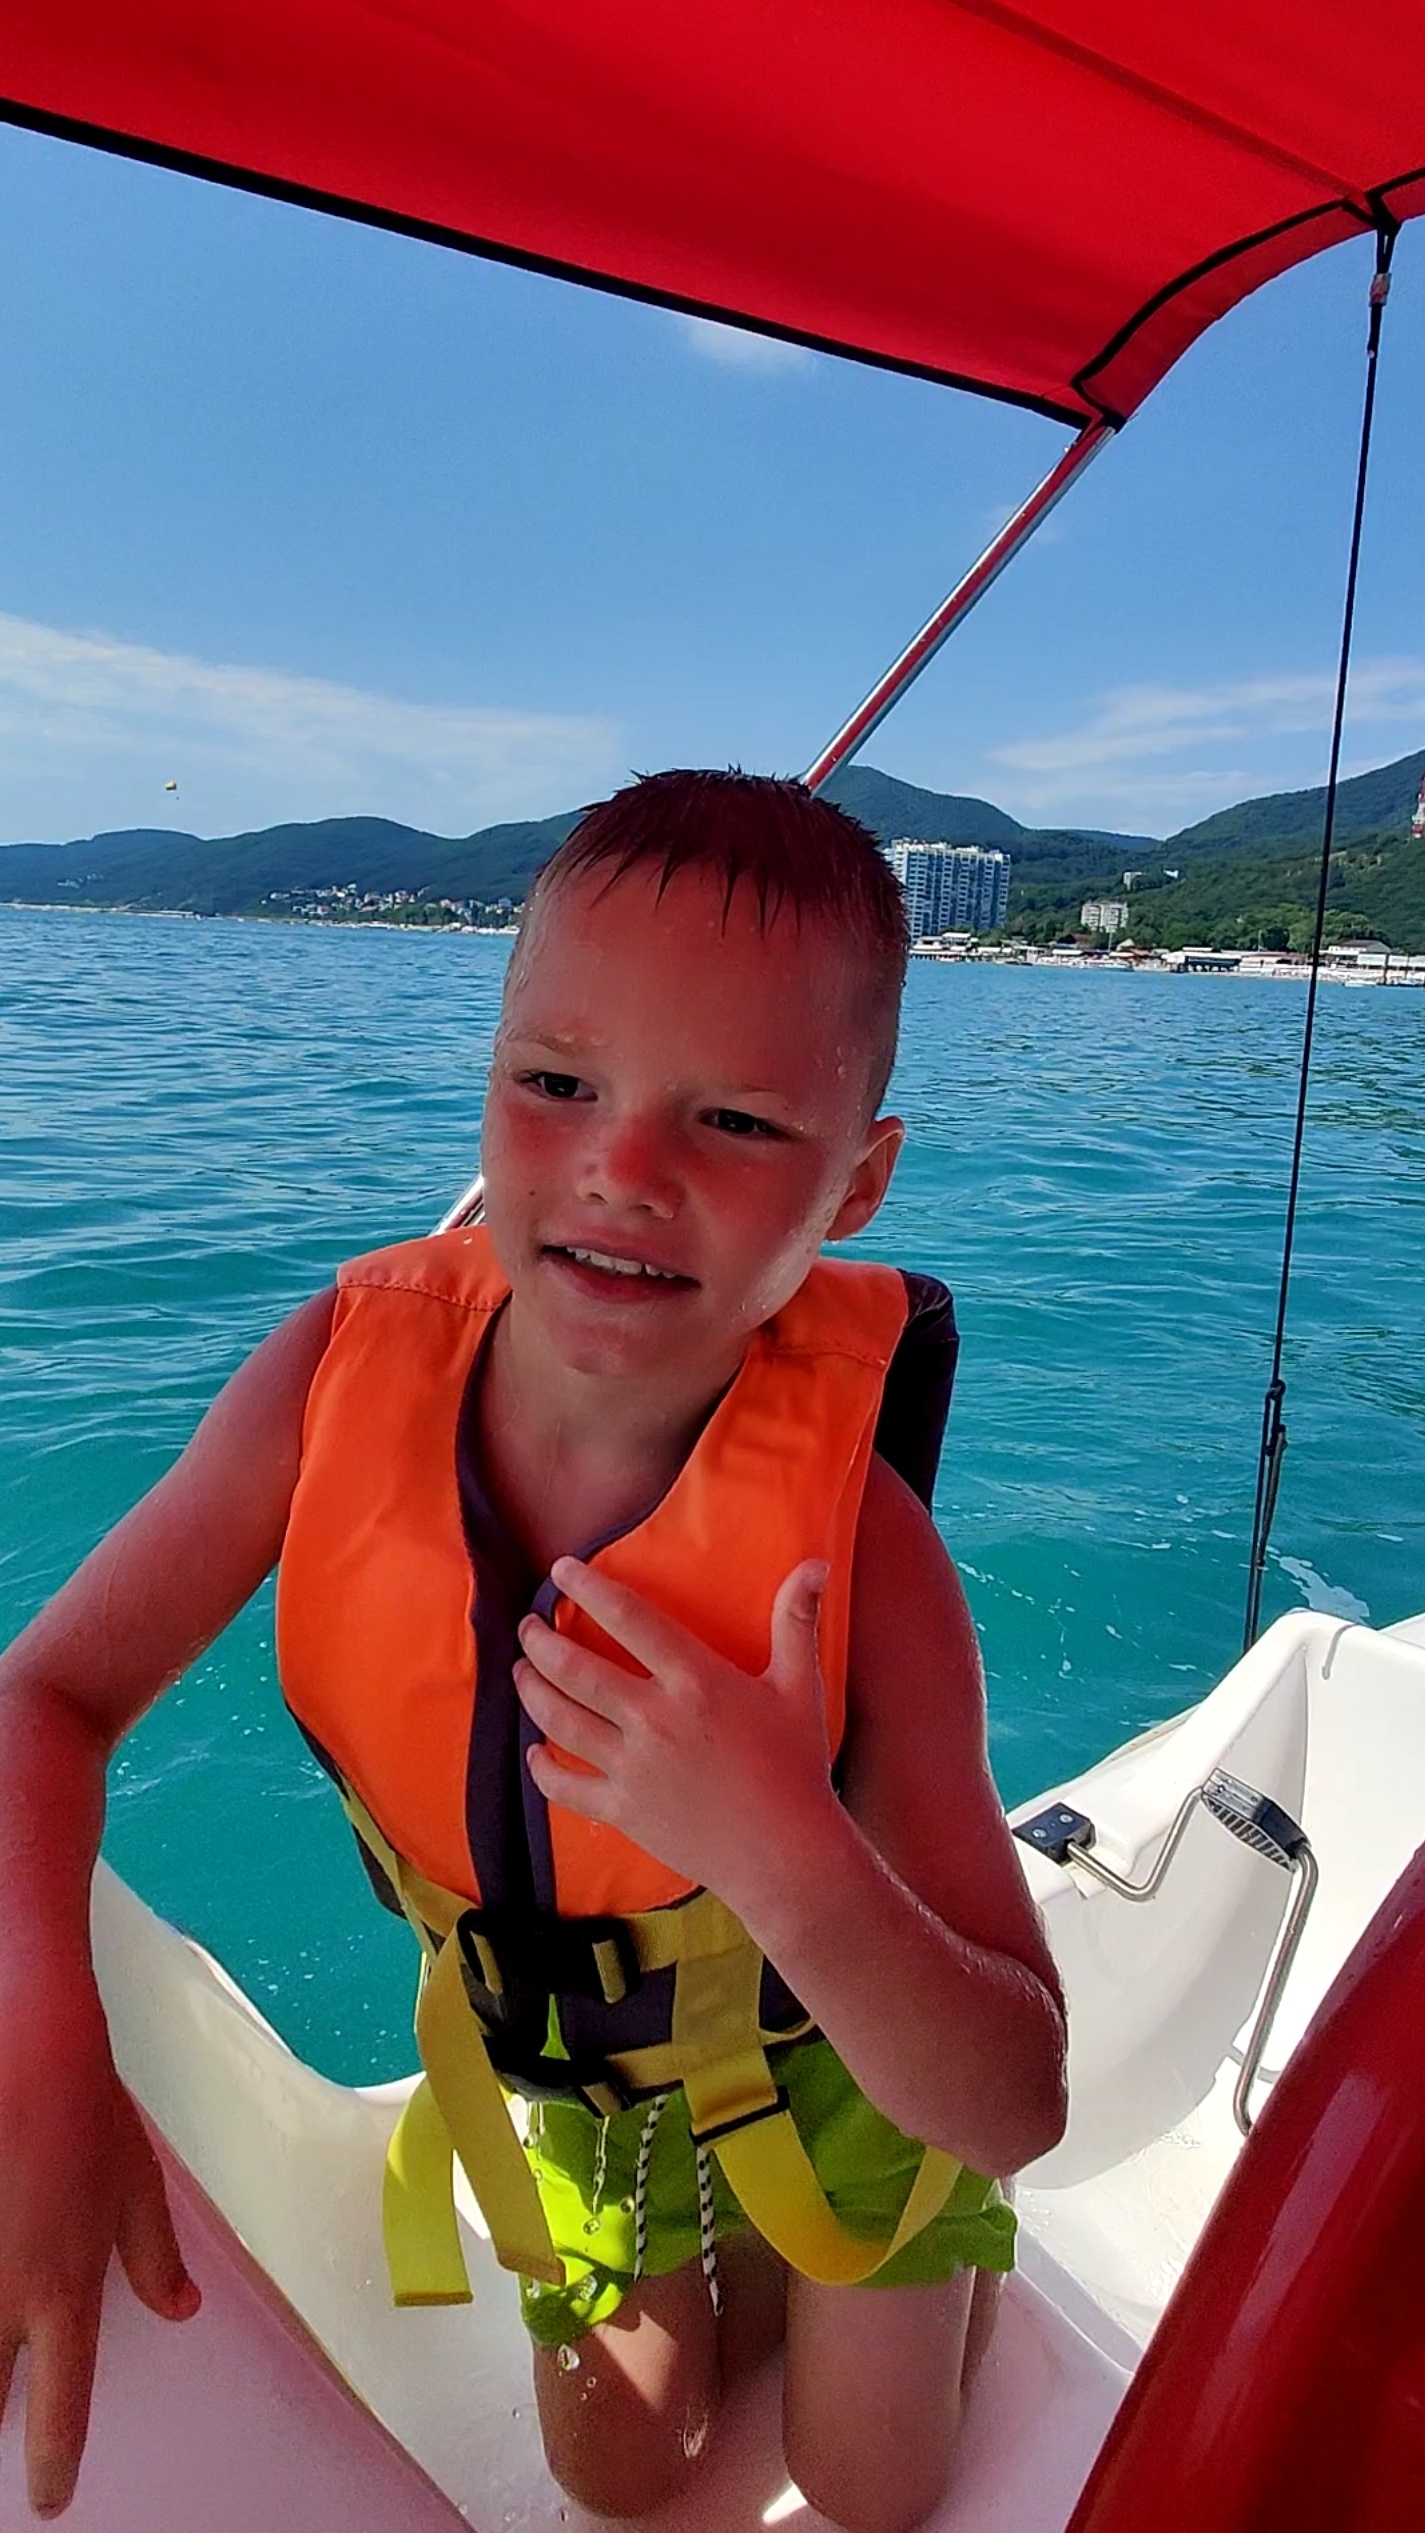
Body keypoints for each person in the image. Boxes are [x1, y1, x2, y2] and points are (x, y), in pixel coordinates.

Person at [0, 770, 1066, 2531]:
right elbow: (41, 1699)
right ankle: (746, 2254)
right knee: (619, 2471)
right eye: (557, 1084)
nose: (621, 1172)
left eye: (736, 1120)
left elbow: (1016, 2092)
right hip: (586, 2069)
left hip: (853, 2052)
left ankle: (920, 2265)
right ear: (488, 1077)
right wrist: (42, 2041)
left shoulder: (864, 1556)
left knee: (875, 2488)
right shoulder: (333, 1377)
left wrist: (779, 1842)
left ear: (857, 1183)